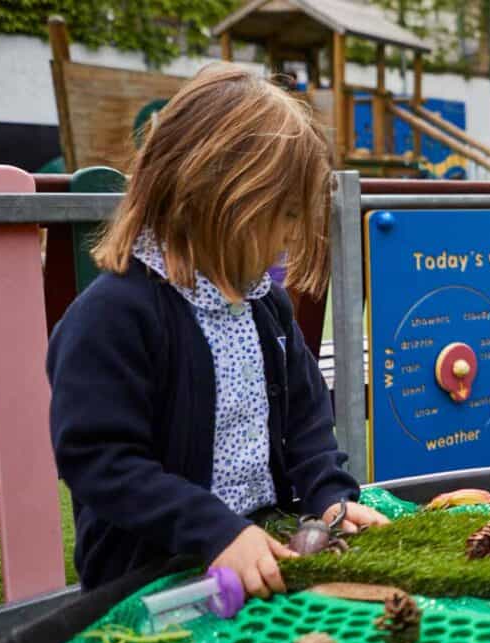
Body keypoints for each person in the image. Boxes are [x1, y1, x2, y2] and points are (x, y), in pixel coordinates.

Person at [48, 64, 388, 598]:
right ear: (218, 197)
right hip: (151, 580)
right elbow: (101, 460)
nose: (291, 234)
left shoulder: (265, 305)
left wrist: (329, 497)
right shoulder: (115, 315)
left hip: (262, 553)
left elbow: (306, 420)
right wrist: (216, 531)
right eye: (285, 214)